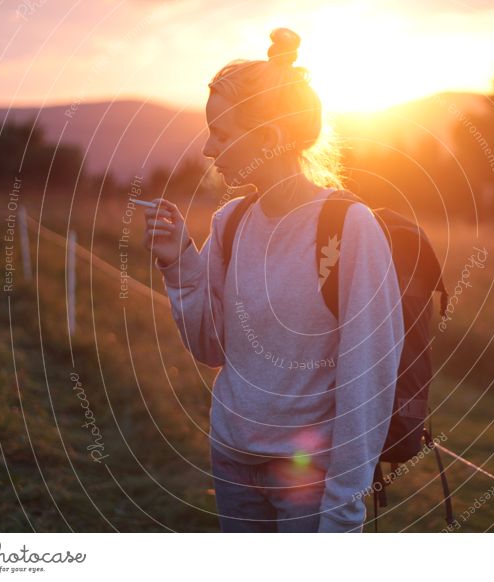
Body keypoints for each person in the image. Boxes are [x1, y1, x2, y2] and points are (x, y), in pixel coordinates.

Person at [142, 28, 405, 533]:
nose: (207, 150)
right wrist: (180, 265)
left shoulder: (350, 228)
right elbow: (211, 347)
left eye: (220, 133)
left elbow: (367, 380)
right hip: (232, 461)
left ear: (268, 136)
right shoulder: (231, 222)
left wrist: (343, 509)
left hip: (308, 478)